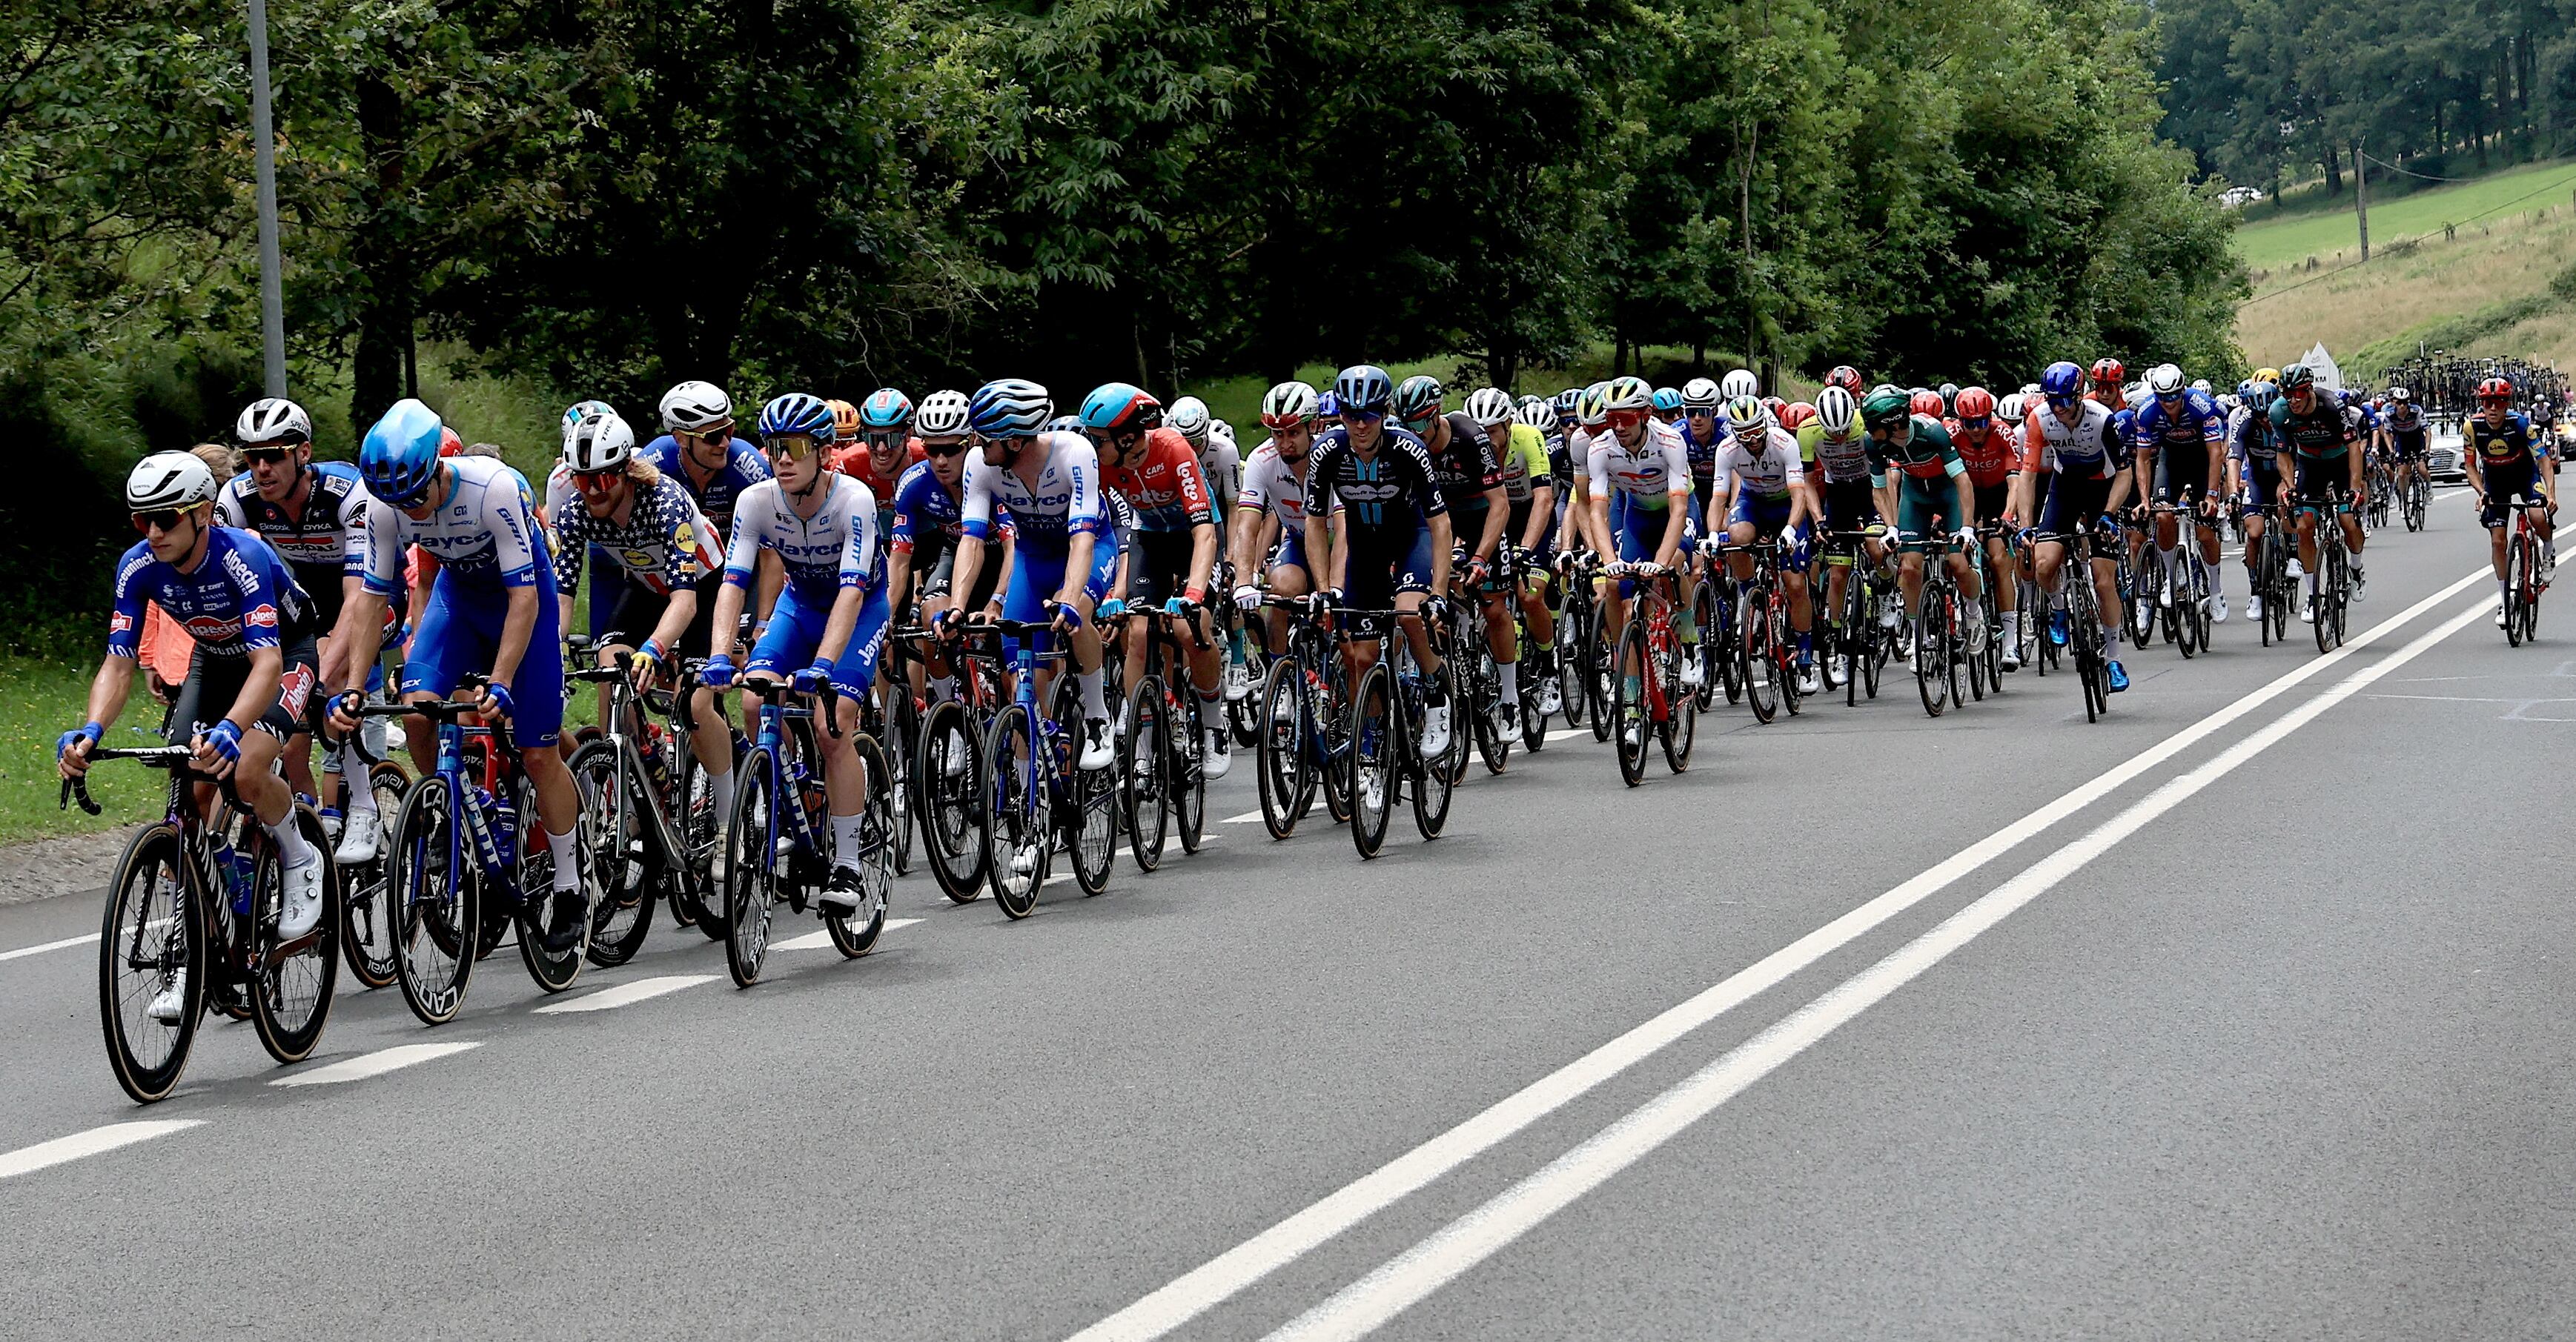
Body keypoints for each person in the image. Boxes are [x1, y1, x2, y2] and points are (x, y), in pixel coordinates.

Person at [61, 451, 328, 1010]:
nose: (152, 532)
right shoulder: (138, 566)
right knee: (190, 787)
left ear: (203, 511)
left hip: (284, 655)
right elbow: (118, 663)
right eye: (141, 520)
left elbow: (267, 663)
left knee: (247, 766)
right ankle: (195, 951)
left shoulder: (243, 556)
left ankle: (299, 854)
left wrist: (233, 727)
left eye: (165, 518)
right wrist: (88, 730)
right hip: (214, 660)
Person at [329, 399, 591, 945]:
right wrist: (354, 688)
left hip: (523, 601)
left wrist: (499, 678)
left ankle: (570, 882)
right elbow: (371, 601)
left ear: (438, 470)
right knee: (418, 709)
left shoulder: (494, 488)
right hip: (462, 601)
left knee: (538, 753)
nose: (411, 512)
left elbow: (524, 599)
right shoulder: (384, 504)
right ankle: (447, 808)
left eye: (416, 497)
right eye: (398, 503)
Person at [698, 393, 893, 911]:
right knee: (755, 702)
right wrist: (720, 654)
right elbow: (732, 583)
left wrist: (824, 666)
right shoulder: (756, 501)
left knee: (834, 723)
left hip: (859, 608)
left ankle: (849, 866)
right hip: (799, 603)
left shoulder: (854, 499)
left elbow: (852, 592)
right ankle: (794, 801)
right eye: (775, 446)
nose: (783, 458)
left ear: (824, 453)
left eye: (797, 447)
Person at [547, 403, 733, 828]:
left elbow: (685, 601)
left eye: (604, 479)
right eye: (582, 480)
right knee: (609, 666)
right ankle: (643, 765)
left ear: (627, 471)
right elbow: (563, 592)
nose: (593, 491)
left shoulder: (664, 502)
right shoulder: (577, 512)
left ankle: (728, 822)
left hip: (702, 588)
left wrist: (654, 648)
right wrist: (553, 647)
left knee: (696, 705)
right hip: (648, 586)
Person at [216, 402, 386, 860]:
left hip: (369, 595)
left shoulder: (346, 493)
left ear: (303, 452)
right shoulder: (236, 500)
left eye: (274, 455)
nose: (262, 469)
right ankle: (300, 806)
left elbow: (359, 598)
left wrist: (318, 671)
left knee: (329, 681)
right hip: (304, 600)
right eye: (252, 458)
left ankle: (365, 809)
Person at [941, 379, 1119, 771]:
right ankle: (1030, 798)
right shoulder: (980, 464)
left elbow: (1083, 539)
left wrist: (1070, 599)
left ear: (1015, 442)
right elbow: (970, 541)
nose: (974, 446)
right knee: (1023, 688)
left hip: (1088, 549)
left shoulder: (1074, 454)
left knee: (1080, 616)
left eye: (983, 439)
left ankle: (1096, 717)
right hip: (1032, 559)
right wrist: (956, 606)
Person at [1302, 364, 1457, 758]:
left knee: (1408, 614)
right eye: (1351, 415)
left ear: (1384, 412)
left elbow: (1440, 525)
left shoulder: (1408, 448)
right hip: (1365, 550)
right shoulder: (1327, 452)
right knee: (1363, 656)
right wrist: (1322, 589)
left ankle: (1439, 694)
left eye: (1369, 414)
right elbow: (1316, 525)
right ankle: (1371, 747)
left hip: (1411, 538)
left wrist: (1438, 592)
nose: (1360, 424)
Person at [1082, 382, 1230, 778]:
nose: (1091, 447)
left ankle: (1215, 724)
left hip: (1195, 536)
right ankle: (1143, 740)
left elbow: (1204, 534)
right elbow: (1109, 531)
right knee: (1138, 631)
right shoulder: (1107, 465)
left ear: (1126, 437)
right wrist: (1113, 591)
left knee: (1188, 627)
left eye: (1098, 439)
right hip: (1149, 538)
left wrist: (1194, 592)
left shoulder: (1174, 449)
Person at [1395, 375, 1519, 725]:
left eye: (1421, 422)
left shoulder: (1470, 437)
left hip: (1482, 518)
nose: (1414, 431)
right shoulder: (1405, 444)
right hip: (1439, 521)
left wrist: (1481, 557)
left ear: (1436, 416)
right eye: (1408, 424)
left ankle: (1508, 695)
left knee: (1494, 608)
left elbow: (1501, 505)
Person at [1587, 375, 1699, 743]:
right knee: (1615, 585)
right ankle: (1629, 680)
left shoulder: (1670, 441)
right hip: (1637, 515)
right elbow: (1597, 512)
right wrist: (1608, 560)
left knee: (1673, 568)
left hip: (1675, 513)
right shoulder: (1601, 447)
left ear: (1647, 415)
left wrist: (1662, 561)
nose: (1618, 426)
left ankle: (1691, 644)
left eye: (1627, 417)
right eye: (1612, 417)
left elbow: (1679, 507)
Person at [2014, 361, 2133, 692]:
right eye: (2053, 400)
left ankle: (2113, 658)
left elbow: (2124, 473)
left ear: (2080, 395)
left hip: (2102, 490)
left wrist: (2109, 513)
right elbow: (2028, 473)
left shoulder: (2103, 419)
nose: (2059, 407)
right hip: (2065, 488)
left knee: (2104, 580)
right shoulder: (2040, 418)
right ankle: (2059, 609)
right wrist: (2026, 525)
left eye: (2065, 400)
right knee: (2043, 563)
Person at [1862, 389, 1983, 669]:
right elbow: (1880, 490)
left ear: (1893, 424)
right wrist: (1891, 527)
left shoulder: (1933, 432)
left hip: (1947, 492)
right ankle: (1919, 635)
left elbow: (1963, 482)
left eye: (1872, 425)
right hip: (1915, 497)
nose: (1868, 431)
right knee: (1910, 566)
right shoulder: (1874, 444)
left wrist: (1966, 527)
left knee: (1958, 562)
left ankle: (1974, 615)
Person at [1708, 394, 1817, 691]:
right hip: (1753, 501)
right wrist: (1711, 535)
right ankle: (1747, 595)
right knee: (1736, 537)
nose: (1752, 439)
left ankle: (1805, 656)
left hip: (1785, 506)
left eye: (1756, 431)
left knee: (1794, 584)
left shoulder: (1784, 443)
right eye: (1745, 434)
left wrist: (1792, 530)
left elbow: (1799, 495)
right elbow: (1718, 500)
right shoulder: (1727, 449)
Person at [1472, 386, 1562, 717]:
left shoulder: (1528, 438)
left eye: (1493, 431)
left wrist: (1524, 547)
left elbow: (1544, 497)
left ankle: (1549, 666)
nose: (1487, 439)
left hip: (1530, 515)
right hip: (1494, 517)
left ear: (1508, 424)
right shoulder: (1473, 447)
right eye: (1481, 432)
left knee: (1530, 596)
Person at [2129, 363, 2228, 628]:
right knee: (2163, 517)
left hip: (2200, 460)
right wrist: (2144, 499)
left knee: (2206, 533)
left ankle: (2216, 591)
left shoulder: (2200, 405)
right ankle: (2174, 576)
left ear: (2182, 391)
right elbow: (2142, 460)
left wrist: (2211, 494)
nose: (2169, 402)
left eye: (2174, 396)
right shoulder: (2147, 412)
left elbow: (2215, 453)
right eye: (2163, 397)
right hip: (2170, 460)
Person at [2267, 364, 2368, 618]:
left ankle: (2356, 568)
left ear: (2309, 390)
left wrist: (2354, 488)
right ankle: (2312, 596)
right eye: (2287, 394)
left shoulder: (2332, 406)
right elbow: (2283, 455)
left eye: (2297, 394)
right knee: (2304, 526)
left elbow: (2354, 448)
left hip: (2340, 461)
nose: (2292, 400)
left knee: (2347, 520)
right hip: (2310, 463)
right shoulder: (2278, 412)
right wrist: (2290, 486)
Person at [1231, 381, 1325, 657]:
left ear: (1315, 426)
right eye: (1277, 434)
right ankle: (1279, 675)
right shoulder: (1261, 460)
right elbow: (1246, 528)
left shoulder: (1333, 455)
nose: (1284, 443)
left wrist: (1328, 590)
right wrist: (1244, 582)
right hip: (1299, 540)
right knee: (1281, 591)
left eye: (1293, 433)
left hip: (1342, 544)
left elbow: (1344, 530)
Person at [2464, 375, 2557, 625]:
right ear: (2481, 403)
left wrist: (2550, 494)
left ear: (2507, 403)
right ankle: (2504, 601)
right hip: (2495, 480)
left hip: (2525, 474)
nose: (2493, 408)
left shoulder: (2520, 424)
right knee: (2498, 541)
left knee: (2537, 515)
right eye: (2487, 402)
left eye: (2500, 402)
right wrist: (2481, 491)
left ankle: (2548, 548)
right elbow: (2471, 466)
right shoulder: (2472, 427)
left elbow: (2543, 459)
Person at [1949, 387, 2024, 668]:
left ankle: (2010, 643)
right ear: (1960, 421)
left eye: (1982, 422)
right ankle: (1962, 613)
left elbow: (2015, 482)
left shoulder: (2003, 433)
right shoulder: (1952, 436)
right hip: (1965, 495)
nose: (1977, 430)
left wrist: (2008, 514)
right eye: (1970, 423)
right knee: (1954, 556)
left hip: (1996, 494)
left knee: (1998, 558)